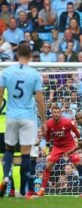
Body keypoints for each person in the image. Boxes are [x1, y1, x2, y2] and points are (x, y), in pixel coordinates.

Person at [0, 43, 46, 198]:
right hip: (27, 118)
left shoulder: (6, 72)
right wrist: (44, 121)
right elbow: (39, 100)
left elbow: (0, 96)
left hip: (11, 116)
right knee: (25, 154)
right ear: (31, 55)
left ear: (16, 54)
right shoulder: (34, 74)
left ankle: (6, 175)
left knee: (9, 150)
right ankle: (21, 192)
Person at [37, 106, 81, 197]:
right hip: (57, 147)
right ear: (52, 113)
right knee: (48, 167)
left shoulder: (67, 122)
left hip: (69, 145)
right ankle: (42, 189)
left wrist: (79, 142)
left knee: (79, 166)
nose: (56, 114)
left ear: (60, 113)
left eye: (58, 112)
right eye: (54, 112)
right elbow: (48, 137)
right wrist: (47, 148)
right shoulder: (48, 124)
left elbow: (76, 132)